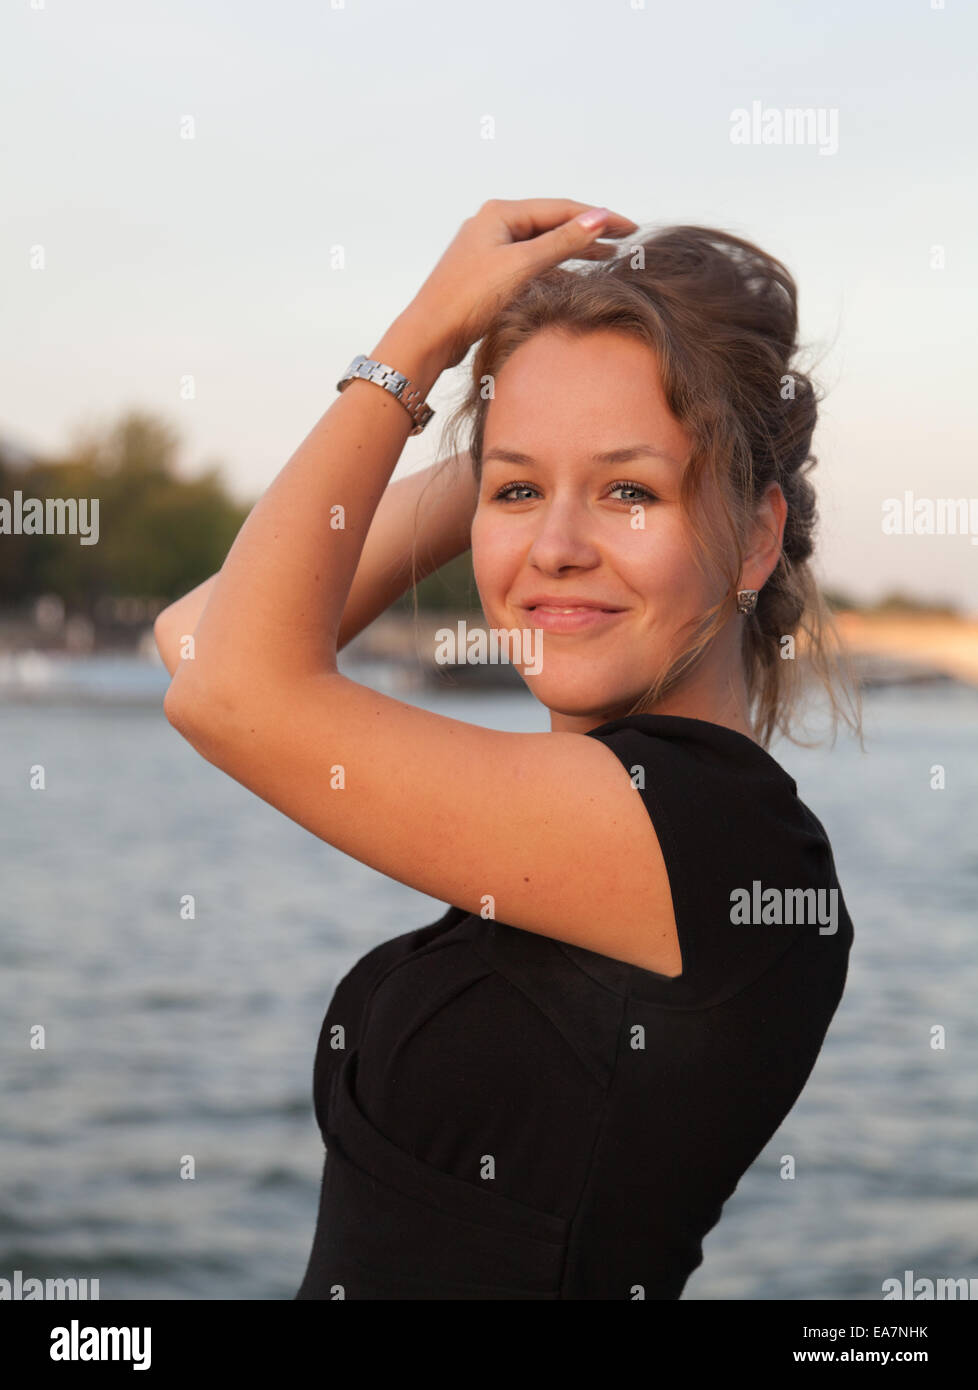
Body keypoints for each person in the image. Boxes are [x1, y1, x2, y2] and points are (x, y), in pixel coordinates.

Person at [154, 198, 861, 1300]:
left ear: (757, 535)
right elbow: (199, 641)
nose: (559, 548)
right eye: (517, 496)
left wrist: (421, 343)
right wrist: (521, 444)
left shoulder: (723, 840)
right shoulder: (632, 819)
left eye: (633, 492)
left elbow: (226, 686)